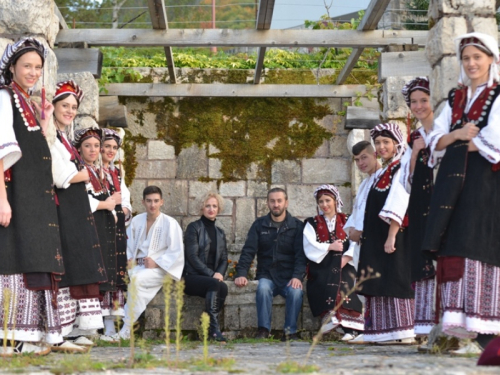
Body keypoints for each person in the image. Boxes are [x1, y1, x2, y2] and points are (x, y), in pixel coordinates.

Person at [422, 32, 500, 355]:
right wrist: (458, 134)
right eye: (466, 58)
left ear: (491, 60)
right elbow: (434, 140)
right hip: (452, 186)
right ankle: (458, 328)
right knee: (452, 244)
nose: (471, 63)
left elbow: (493, 141)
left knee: (477, 243)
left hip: (484, 186)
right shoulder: (455, 98)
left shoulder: (498, 96)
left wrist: (465, 141)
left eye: (477, 57)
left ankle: (484, 329)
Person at [0, 37, 65, 355]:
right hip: (15, 197)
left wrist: (43, 119)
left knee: (32, 258)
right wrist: (1, 198)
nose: (33, 72)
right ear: (12, 66)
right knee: (12, 258)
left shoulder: (25, 100)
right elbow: (0, 152)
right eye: (27, 65)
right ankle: (9, 337)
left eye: (38, 67)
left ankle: (28, 334)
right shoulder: (3, 97)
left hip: (32, 199)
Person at [49, 80, 108, 351]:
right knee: (68, 269)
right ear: (53, 107)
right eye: (65, 106)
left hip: (74, 211)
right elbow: (62, 177)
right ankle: (61, 331)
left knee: (78, 266)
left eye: (73, 107)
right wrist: (88, 174)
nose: (70, 111)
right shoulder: (51, 137)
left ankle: (73, 329)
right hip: (64, 211)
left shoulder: (63, 138)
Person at [356, 123, 415, 345]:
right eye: (378, 143)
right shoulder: (385, 172)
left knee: (395, 279)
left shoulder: (400, 168)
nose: (381, 147)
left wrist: (391, 236)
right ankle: (385, 331)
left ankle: (404, 330)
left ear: (396, 144)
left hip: (394, 235)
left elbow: (399, 203)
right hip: (378, 236)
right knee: (380, 281)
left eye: (386, 142)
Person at [235, 188, 306, 341]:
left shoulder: (297, 226)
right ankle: (263, 330)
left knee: (296, 292)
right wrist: (241, 273)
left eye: (279, 201)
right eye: (272, 201)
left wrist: (297, 277)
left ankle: (289, 332)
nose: (276, 204)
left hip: (289, 276)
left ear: (286, 203)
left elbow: (301, 256)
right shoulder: (259, 225)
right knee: (263, 288)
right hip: (267, 274)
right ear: (267, 203)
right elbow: (248, 251)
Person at [117, 185, 184, 339]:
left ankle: (126, 329)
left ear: (162, 202)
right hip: (138, 266)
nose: (152, 205)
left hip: (161, 270)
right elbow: (128, 243)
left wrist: (157, 263)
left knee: (137, 280)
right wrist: (129, 258)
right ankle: (112, 327)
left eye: (156, 201)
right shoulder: (137, 221)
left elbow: (176, 251)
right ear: (143, 202)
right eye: (149, 201)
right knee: (127, 279)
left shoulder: (170, 223)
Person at [398, 77, 437, 338]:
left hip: (441, 205)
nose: (419, 105)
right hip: (420, 208)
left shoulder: (443, 130)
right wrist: (414, 153)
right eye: (414, 102)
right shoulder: (414, 139)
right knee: (423, 265)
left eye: (424, 100)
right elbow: (406, 183)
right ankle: (424, 327)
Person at [74, 126, 119, 340]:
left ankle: (91, 329)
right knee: (87, 275)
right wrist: (107, 205)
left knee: (98, 277)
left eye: (95, 146)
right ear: (79, 148)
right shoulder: (80, 170)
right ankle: (80, 329)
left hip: (100, 229)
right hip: (86, 228)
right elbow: (82, 201)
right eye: (87, 146)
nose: (93, 150)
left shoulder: (98, 172)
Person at [303, 184, 364, 342]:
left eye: (328, 200)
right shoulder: (312, 223)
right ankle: (335, 321)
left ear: (336, 201)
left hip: (346, 264)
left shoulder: (348, 220)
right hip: (322, 265)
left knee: (345, 284)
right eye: (321, 201)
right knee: (326, 281)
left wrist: (345, 258)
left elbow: (356, 242)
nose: (324, 205)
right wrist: (329, 246)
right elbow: (309, 245)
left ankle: (351, 328)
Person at [183, 192, 228, 342]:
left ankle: (204, 328)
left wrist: (219, 273)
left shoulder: (220, 233)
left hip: (211, 279)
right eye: (208, 206)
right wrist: (212, 274)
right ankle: (214, 330)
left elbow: (224, 259)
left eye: (214, 206)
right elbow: (192, 257)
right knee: (215, 283)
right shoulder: (193, 228)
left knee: (224, 287)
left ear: (218, 209)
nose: (211, 209)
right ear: (202, 208)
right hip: (191, 277)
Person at [100, 128, 132, 337]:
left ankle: (112, 326)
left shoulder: (116, 173)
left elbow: (125, 199)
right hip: (101, 229)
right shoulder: (95, 171)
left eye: (114, 148)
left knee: (116, 277)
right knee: (104, 276)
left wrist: (126, 209)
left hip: (117, 231)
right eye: (107, 147)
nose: (111, 151)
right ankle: (103, 325)